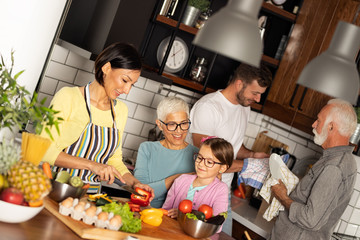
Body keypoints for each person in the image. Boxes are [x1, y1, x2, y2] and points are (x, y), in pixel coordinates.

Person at [41, 42, 153, 197]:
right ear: (106, 68)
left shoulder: (120, 111)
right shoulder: (69, 97)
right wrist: (93, 166)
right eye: (125, 80)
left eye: (132, 85)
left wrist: (135, 183)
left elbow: (114, 160)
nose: (127, 90)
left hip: (89, 198)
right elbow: (44, 150)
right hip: (55, 190)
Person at [188, 62, 272, 234]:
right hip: (198, 190)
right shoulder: (209, 107)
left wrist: (252, 155)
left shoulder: (244, 107)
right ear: (239, 83)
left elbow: (234, 144)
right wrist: (248, 165)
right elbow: (208, 159)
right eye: (255, 93)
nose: (257, 99)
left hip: (222, 191)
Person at [269, 98, 358, 240]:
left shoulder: (334, 167)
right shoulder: (339, 159)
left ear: (331, 127)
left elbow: (310, 220)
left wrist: (283, 197)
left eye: (318, 120)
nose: (313, 124)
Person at [134, 96, 198, 208]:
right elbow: (142, 193)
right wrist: (178, 178)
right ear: (159, 125)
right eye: (172, 124)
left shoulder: (197, 155)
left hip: (177, 218)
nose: (179, 131)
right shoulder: (147, 149)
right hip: (146, 213)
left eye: (184, 123)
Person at [162, 137, 233, 220]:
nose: (201, 164)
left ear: (222, 168)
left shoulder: (220, 189)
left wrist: (183, 216)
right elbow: (164, 211)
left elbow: (217, 224)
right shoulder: (181, 180)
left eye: (209, 162)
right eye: (199, 158)